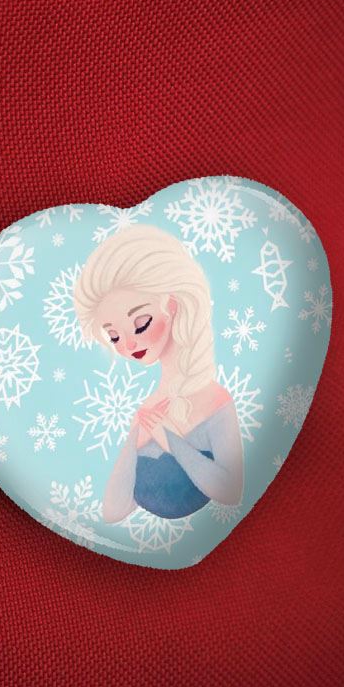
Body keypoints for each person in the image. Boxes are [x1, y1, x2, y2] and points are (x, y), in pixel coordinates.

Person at [72, 224, 244, 522]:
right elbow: (113, 511)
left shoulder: (215, 401)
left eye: (140, 324)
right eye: (114, 336)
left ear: (172, 305)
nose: (128, 344)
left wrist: (169, 439)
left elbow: (231, 491)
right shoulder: (147, 412)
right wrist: (136, 439)